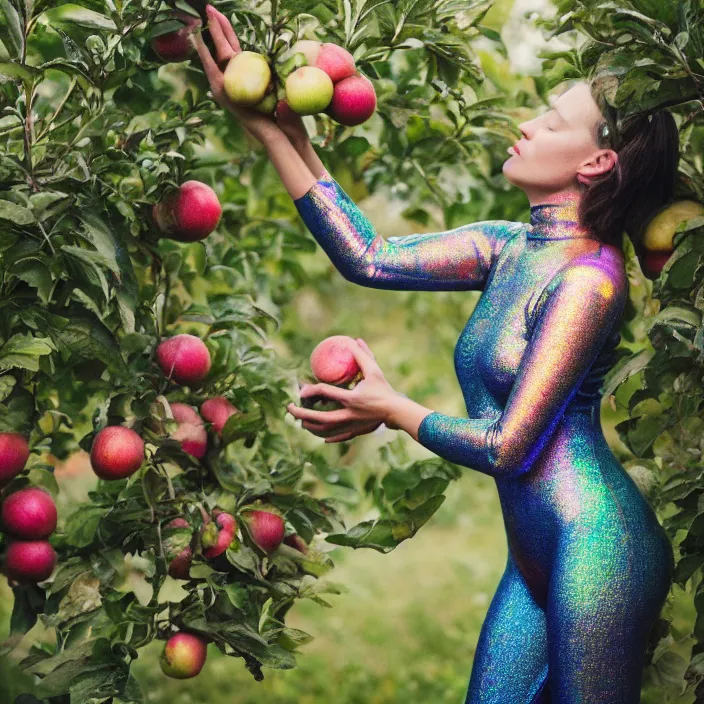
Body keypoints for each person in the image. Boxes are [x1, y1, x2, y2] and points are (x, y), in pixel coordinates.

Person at [189, 7, 676, 702]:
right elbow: (369, 257)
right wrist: (272, 127)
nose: (528, 124)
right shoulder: (513, 247)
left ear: (597, 163)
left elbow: (510, 448)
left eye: (553, 122)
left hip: (601, 551)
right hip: (538, 557)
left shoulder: (589, 284)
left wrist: (394, 409)